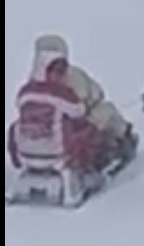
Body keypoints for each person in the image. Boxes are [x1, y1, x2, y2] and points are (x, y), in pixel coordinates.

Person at [9, 35, 136, 173]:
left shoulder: (27, 89)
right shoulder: (67, 85)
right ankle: (117, 142)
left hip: (28, 151)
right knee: (104, 111)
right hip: (61, 148)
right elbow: (82, 107)